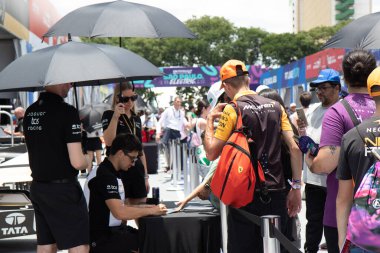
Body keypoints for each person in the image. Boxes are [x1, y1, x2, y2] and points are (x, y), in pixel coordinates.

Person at [204, 59, 302, 253]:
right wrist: (296, 188)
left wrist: (209, 120)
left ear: (225, 85)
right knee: (275, 247)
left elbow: (212, 151)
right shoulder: (276, 106)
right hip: (277, 191)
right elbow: (295, 148)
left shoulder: (232, 109)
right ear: (248, 79)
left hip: (243, 194)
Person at [306, 49, 377, 253]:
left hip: (345, 213)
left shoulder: (337, 112)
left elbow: (326, 163)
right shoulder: (378, 107)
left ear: (344, 78)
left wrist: (311, 161)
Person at [23, 83, 89, 253]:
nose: (71, 85)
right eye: (68, 81)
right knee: (79, 244)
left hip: (39, 187)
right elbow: (77, 162)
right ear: (56, 81)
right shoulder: (67, 111)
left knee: (46, 244)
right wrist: (87, 159)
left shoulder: (30, 111)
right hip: (63, 189)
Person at [87, 133, 167, 253]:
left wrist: (148, 207)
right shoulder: (105, 175)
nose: (134, 163)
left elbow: (120, 207)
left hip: (112, 231)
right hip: (101, 238)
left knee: (153, 237)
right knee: (153, 242)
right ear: (120, 153)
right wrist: (152, 210)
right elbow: (120, 212)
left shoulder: (110, 171)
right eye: (132, 158)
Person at [336, 67, 380, 253]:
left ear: (370, 93)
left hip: (364, 239)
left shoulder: (351, 137)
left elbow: (343, 199)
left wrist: (341, 243)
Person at [297, 69, 341, 253]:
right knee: (313, 222)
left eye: (324, 87)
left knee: (335, 225)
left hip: (335, 180)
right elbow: (306, 138)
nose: (320, 92)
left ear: (337, 88)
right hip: (313, 179)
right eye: (317, 88)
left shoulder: (342, 110)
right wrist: (302, 135)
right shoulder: (312, 110)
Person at [102, 82, 149, 205]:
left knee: (141, 208)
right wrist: (116, 116)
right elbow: (108, 142)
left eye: (133, 98)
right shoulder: (109, 115)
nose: (130, 102)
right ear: (118, 98)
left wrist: (146, 176)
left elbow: (141, 150)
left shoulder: (136, 118)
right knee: (121, 211)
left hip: (136, 167)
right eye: (125, 99)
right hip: (118, 168)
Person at [155, 96, 189, 170]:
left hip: (177, 133)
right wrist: (158, 133)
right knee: (168, 135)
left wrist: (188, 125)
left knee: (178, 151)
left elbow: (185, 122)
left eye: (180, 102)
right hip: (169, 131)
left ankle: (177, 167)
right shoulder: (168, 110)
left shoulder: (182, 112)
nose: (179, 103)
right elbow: (160, 122)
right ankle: (163, 145)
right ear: (174, 102)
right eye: (177, 101)